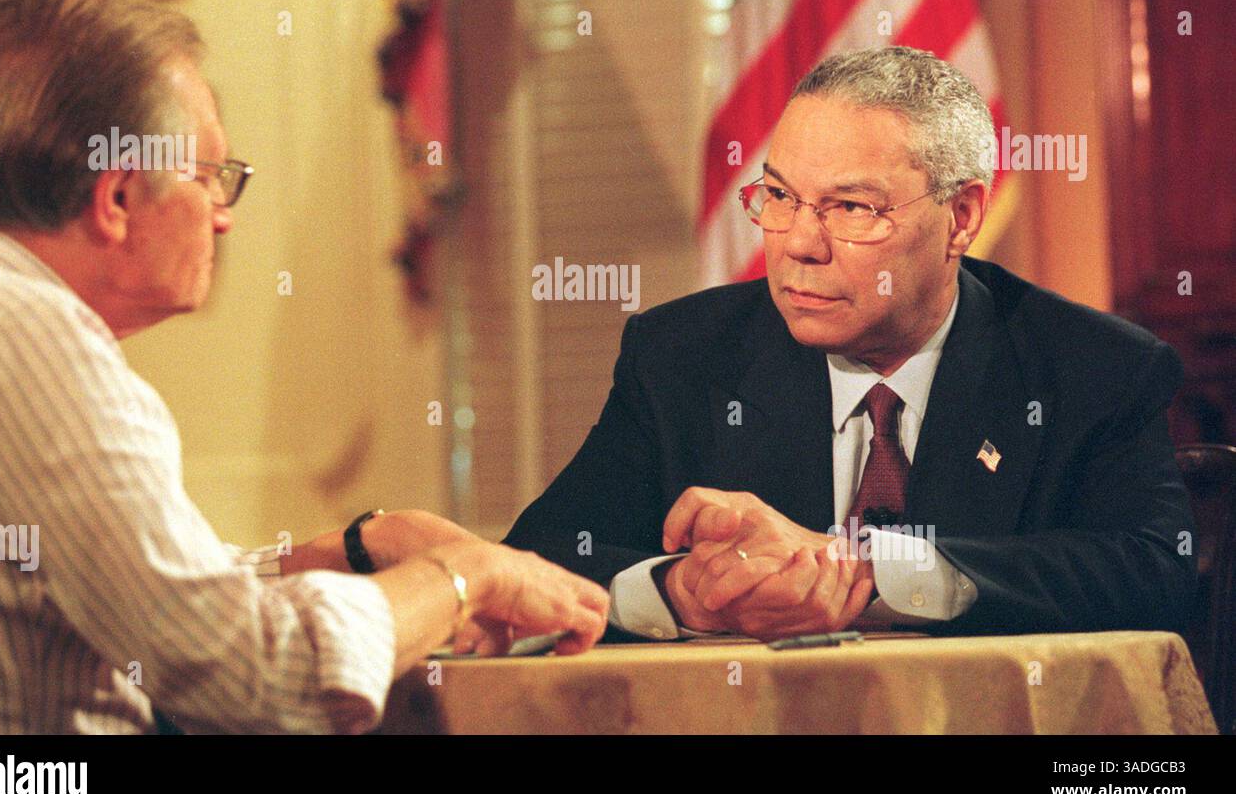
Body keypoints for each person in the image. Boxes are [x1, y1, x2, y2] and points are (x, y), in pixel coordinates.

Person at [0, 0, 608, 734]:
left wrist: (346, 551)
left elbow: (155, 591)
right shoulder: (30, 343)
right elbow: (253, 674)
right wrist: (465, 579)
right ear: (118, 196)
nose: (224, 218)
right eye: (209, 177)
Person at [503, 46, 1196, 644]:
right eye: (778, 196)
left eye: (852, 208)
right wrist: (684, 593)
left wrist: (868, 572)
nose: (799, 244)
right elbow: (537, 561)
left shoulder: (1093, 368)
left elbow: (1150, 571)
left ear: (961, 218)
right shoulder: (682, 357)